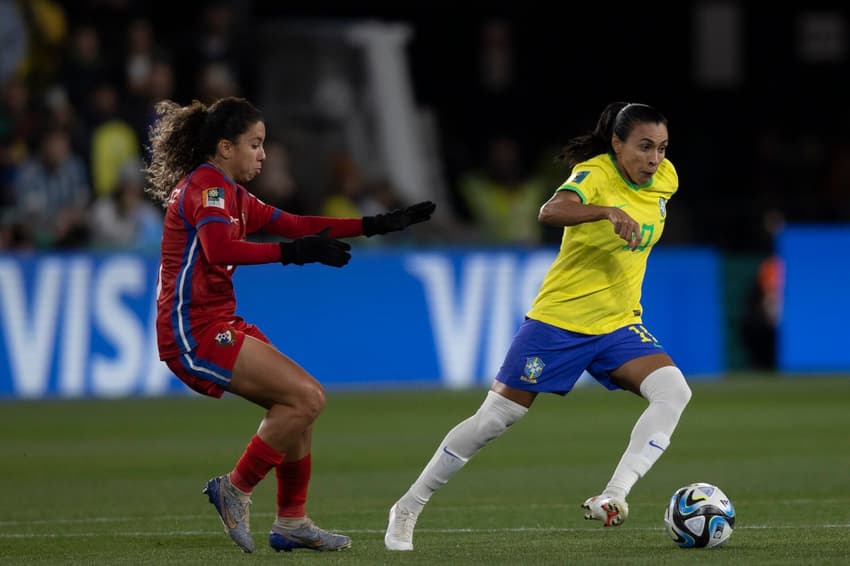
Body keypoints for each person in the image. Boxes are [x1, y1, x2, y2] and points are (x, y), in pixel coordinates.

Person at [385, 101, 692, 550]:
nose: (654, 159)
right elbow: (550, 211)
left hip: (618, 323)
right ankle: (408, 506)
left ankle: (614, 494)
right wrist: (606, 212)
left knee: (673, 391)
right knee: (495, 419)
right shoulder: (596, 175)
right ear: (617, 144)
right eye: (644, 147)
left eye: (662, 148)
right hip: (560, 322)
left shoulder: (666, 180)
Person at [144, 96, 435, 554]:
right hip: (192, 331)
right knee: (307, 397)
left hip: (219, 321)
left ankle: (292, 522)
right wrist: (292, 254)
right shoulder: (208, 189)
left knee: (297, 404)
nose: (262, 155)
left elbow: (296, 222)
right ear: (224, 147)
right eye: (255, 145)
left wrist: (376, 224)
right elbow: (220, 249)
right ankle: (234, 489)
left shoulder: (231, 193)